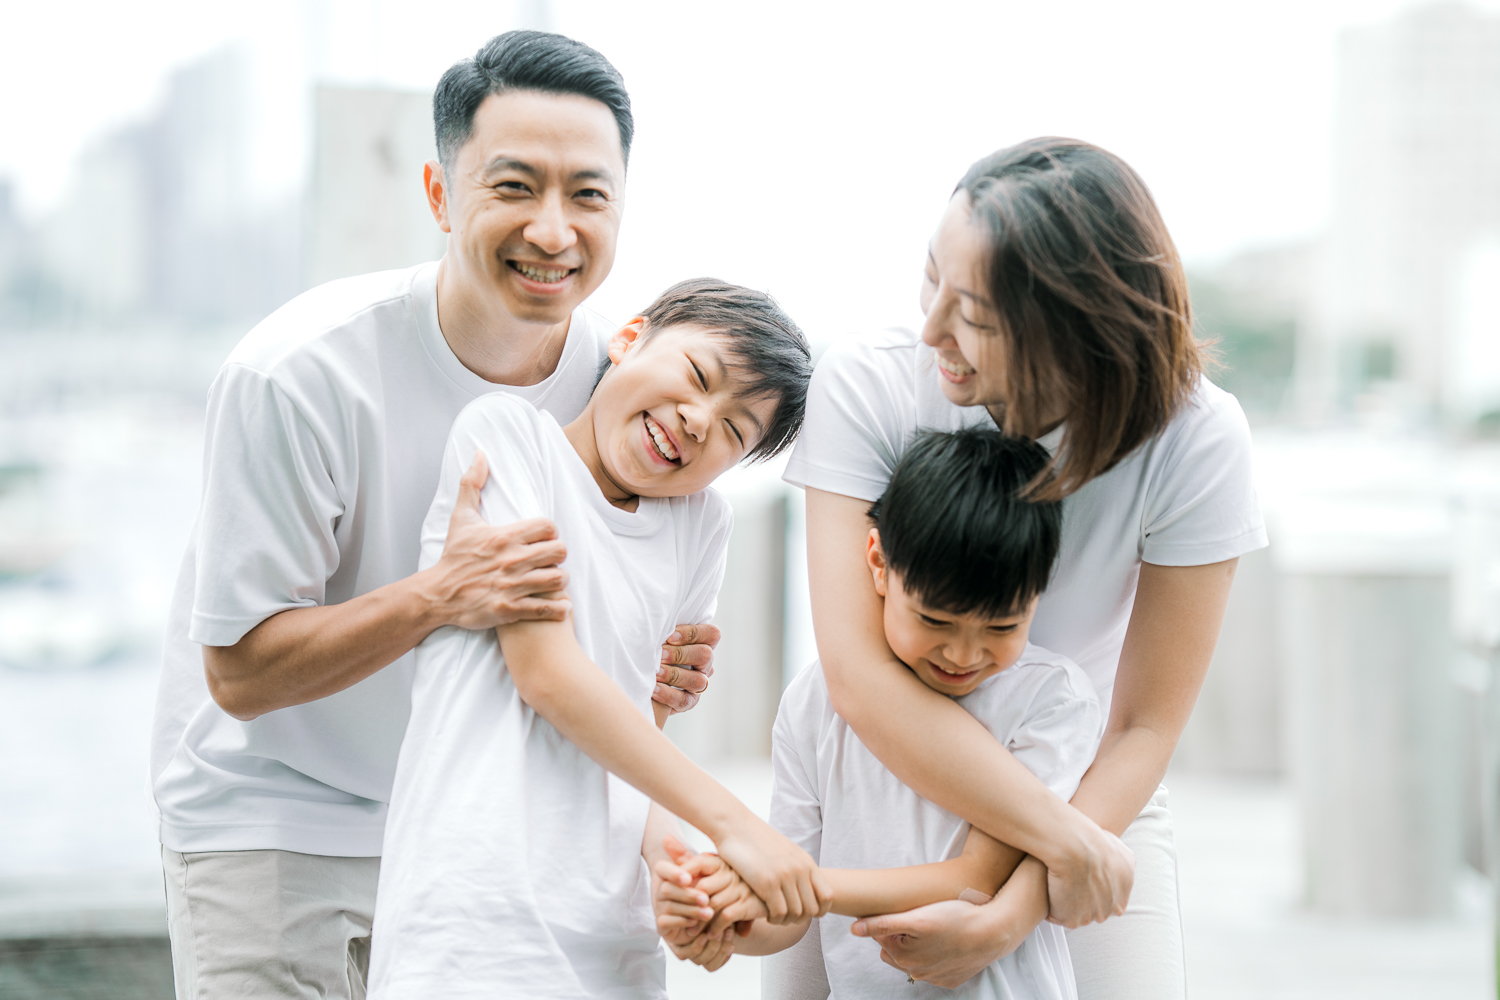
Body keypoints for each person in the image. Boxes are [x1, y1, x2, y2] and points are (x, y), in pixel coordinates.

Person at [150, 32, 717, 999]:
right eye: (512, 186)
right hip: (277, 811)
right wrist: (441, 594)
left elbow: (615, 619)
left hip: (483, 826)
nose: (553, 229)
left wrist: (660, 661)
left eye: (589, 195)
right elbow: (239, 675)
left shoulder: (624, 400)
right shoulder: (300, 373)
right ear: (438, 194)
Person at [777, 138, 1268, 997]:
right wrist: (1063, 847)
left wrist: (1017, 905)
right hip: (874, 764)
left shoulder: (1198, 440)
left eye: (973, 313)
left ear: (1073, 329)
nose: (930, 330)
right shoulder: (874, 381)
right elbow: (856, 673)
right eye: (932, 280)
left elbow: (1141, 728)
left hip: (1083, 785)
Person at [367, 279, 830, 999]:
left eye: (737, 431)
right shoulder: (509, 437)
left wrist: (678, 875)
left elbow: (639, 741)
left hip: (613, 947)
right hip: (473, 920)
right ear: (629, 337)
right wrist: (736, 825)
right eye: (699, 376)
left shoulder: (700, 525)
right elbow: (546, 674)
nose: (700, 420)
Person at [656, 428, 1105, 1000]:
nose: (964, 655)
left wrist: (778, 882)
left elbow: (976, 879)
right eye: (936, 621)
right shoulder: (818, 701)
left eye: (1001, 627)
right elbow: (791, 918)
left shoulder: (1052, 700)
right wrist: (724, 917)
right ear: (877, 563)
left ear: (1037, 595)